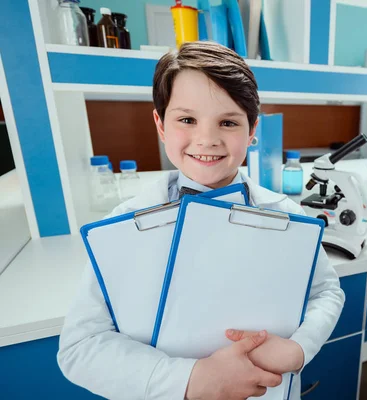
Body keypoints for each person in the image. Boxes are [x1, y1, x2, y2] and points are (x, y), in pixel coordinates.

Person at [58, 41, 345, 400]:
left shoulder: (286, 216)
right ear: (160, 125)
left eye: (228, 122)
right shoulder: (123, 226)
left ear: (252, 129)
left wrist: (300, 348)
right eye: (187, 120)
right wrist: (189, 379)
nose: (207, 139)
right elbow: (81, 346)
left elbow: (326, 292)